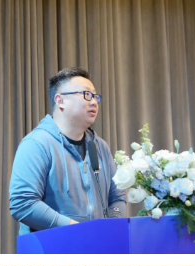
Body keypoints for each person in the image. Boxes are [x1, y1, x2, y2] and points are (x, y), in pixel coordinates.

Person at [9, 67, 126, 235]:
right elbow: (23, 203)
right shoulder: (37, 144)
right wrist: (75, 229)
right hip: (52, 248)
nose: (94, 102)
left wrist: (113, 226)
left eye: (95, 96)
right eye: (86, 94)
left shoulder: (100, 146)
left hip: (96, 246)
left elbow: (117, 197)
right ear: (60, 100)